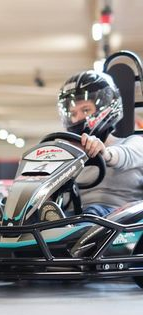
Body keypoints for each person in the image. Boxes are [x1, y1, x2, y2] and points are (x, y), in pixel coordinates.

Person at [57, 70, 143, 216]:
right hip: (74, 217)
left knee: (92, 213)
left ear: (106, 107)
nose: (77, 119)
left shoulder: (133, 143)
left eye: (85, 110)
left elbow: (124, 155)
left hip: (118, 217)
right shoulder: (68, 155)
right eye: (73, 113)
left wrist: (105, 154)